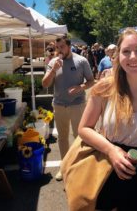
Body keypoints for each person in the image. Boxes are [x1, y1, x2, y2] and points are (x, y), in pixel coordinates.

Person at [78, 27, 137, 210]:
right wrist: (111, 150)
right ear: (118, 56)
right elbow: (84, 128)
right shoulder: (104, 88)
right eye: (126, 51)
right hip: (105, 171)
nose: (133, 57)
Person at [42, 35, 95, 181]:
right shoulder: (53, 62)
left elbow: (91, 81)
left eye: (62, 47)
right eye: (57, 48)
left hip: (77, 105)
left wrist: (80, 87)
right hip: (59, 105)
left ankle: (78, 166)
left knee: (79, 137)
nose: (59, 50)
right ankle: (64, 166)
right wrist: (53, 70)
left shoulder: (81, 61)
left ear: (69, 46)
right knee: (62, 138)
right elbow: (45, 84)